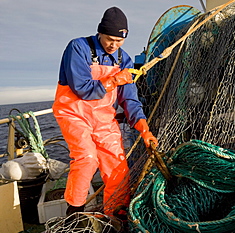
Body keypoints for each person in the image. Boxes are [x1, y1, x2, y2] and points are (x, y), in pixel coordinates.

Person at [52, 6, 158, 217]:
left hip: (103, 119)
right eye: (110, 39)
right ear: (100, 32)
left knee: (118, 167)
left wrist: (144, 128)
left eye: (119, 41)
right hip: (74, 113)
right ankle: (74, 212)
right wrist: (113, 80)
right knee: (87, 158)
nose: (113, 45)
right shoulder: (78, 47)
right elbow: (82, 88)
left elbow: (129, 99)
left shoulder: (123, 60)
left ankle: (115, 215)